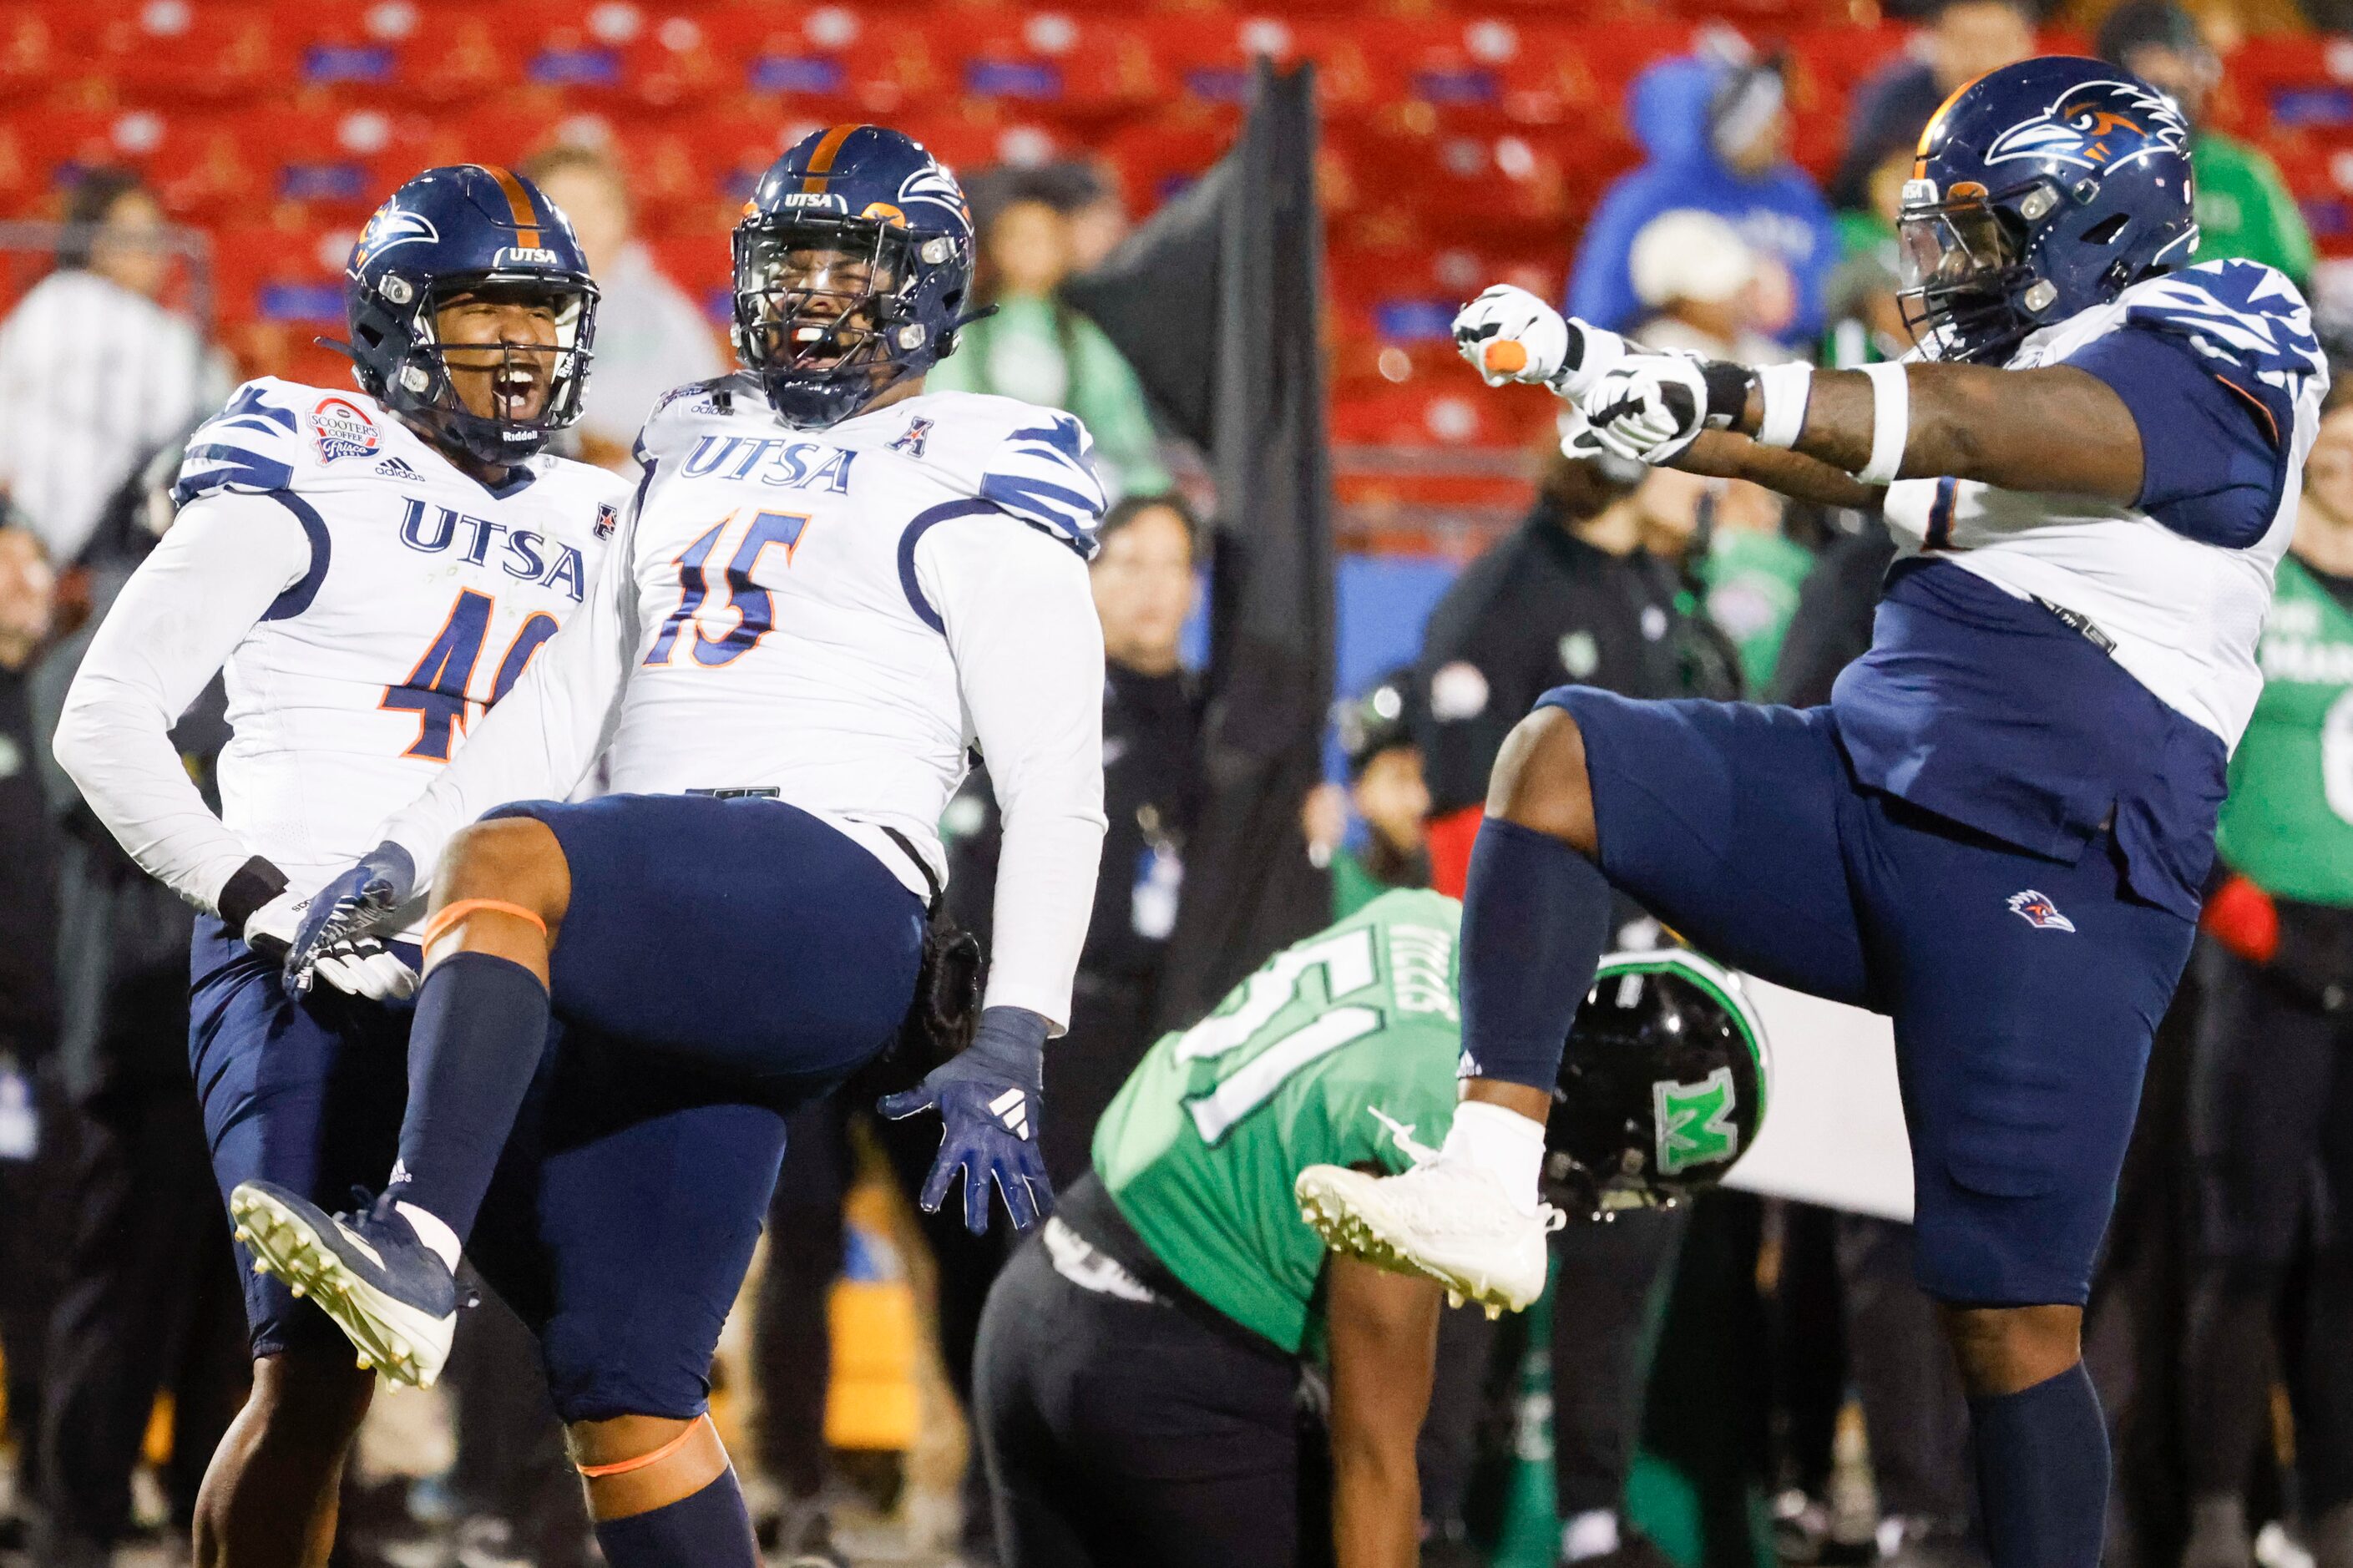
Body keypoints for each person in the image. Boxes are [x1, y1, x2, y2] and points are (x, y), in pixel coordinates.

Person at [1308, 58, 2327, 1568]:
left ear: (2097, 221)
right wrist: (1609, 374)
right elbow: (1845, 449)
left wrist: (1736, 387)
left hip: (2049, 863)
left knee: (2001, 1314)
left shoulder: (2221, 331)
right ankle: (1486, 1171)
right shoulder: (2017, 381)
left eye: (1987, 234)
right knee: (1563, 760)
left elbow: (1978, 424)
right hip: (1867, 792)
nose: (1952, 269)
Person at [256, 126, 1108, 1568]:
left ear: (931, 285)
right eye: (791, 261)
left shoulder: (988, 466)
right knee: (626, 1389)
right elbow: (570, 701)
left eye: (853, 262)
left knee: (520, 856)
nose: (813, 294)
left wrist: (1018, 1030)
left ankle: (412, 1243)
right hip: (665, 921)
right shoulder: (688, 433)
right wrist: (410, 856)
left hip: (827, 886)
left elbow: (1056, 785)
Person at [49, 164, 624, 1568]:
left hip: (503, 949)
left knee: (627, 1362)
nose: (522, 346)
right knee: (312, 1381)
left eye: (542, 316)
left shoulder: (602, 512)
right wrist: (266, 895)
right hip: (300, 959)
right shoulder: (302, 451)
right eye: (486, 310)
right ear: (396, 320)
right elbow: (102, 723)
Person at [979, 888, 1770, 1568]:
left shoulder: (1441, 920)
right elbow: (1375, 1462)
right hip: (1173, 1382)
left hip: (1039, 1296)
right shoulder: (1435, 1120)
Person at [2175, 394, 2353, 1568]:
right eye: (2334, 438)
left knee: (2351, 1254)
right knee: (2245, 1245)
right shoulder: (2242, 576)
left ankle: (2331, 1508)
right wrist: (2243, 916)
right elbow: (2175, 760)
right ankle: (2211, 1516)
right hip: (2264, 951)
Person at [0, 169, 227, 566]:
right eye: (128, 234)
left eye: (152, 236)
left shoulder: (165, 330)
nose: (146, 251)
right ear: (94, 241)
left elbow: (190, 413)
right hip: (19, 511)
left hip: (103, 530)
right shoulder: (52, 300)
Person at [1568, 51, 1836, 348]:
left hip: (1784, 362)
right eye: (1762, 121)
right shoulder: (1647, 199)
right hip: (1669, 358)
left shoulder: (1797, 193)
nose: (1780, 130)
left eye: (1779, 117)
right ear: (1723, 129)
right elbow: (1597, 311)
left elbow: (1832, 285)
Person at [928, 171, 1170, 499]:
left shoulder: (1079, 337)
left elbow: (1122, 429)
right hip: (972, 479)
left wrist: (1152, 494)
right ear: (995, 245)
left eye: (1045, 239)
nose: (1031, 251)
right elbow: (941, 407)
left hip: (1061, 483)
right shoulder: (968, 328)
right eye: (1018, 237)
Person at [521, 144, 726, 473]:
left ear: (624, 217)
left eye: (597, 205)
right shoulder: (502, 309)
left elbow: (714, 412)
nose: (582, 219)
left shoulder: (667, 309)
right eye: (564, 204)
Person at [2097, 0, 2316, 289]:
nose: (2166, 103)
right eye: (2153, 87)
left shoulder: (2242, 171)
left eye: (2175, 90)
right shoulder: (2091, 174)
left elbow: (2299, 282)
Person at [1833, 0, 2036, 210]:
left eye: (1996, 43)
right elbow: (1858, 186)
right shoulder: (1897, 100)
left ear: (2027, 44)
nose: (1979, 58)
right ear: (1935, 41)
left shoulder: (2049, 105)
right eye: (1965, 42)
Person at [1303, 670, 1433, 918]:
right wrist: (1315, 855)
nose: (1420, 800)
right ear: (1358, 791)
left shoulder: (1472, 891)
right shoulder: (1327, 889)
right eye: (1399, 779)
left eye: (1427, 778)